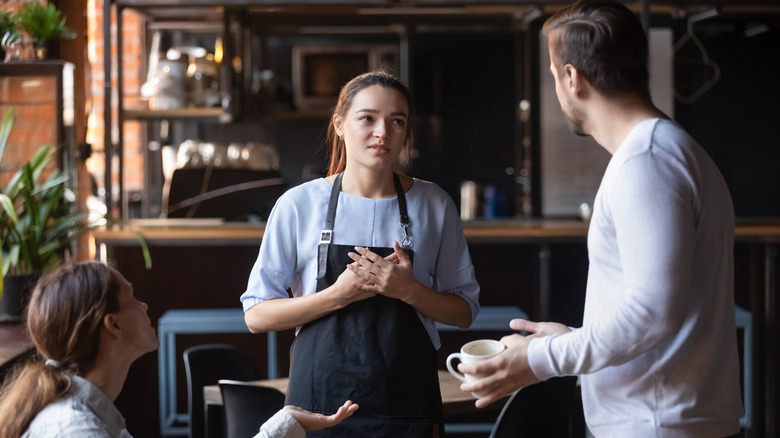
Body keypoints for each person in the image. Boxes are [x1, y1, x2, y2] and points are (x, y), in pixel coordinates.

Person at [459, 1, 743, 437]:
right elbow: (658, 309)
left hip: (655, 425)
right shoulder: (666, 150)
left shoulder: (647, 161)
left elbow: (650, 314)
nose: (557, 87)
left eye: (554, 75)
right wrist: (567, 339)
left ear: (572, 77)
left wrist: (538, 359)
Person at [241, 70, 480, 437]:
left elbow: (464, 312)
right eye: (367, 118)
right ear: (340, 124)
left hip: (407, 405)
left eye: (396, 121)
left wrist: (408, 290)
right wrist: (337, 295)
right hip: (317, 407)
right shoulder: (298, 205)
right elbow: (257, 315)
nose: (382, 132)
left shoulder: (434, 204)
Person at [0, 261, 358, 438]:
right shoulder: (75, 429)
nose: (144, 306)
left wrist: (284, 424)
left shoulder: (89, 413)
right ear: (114, 325)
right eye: (132, 298)